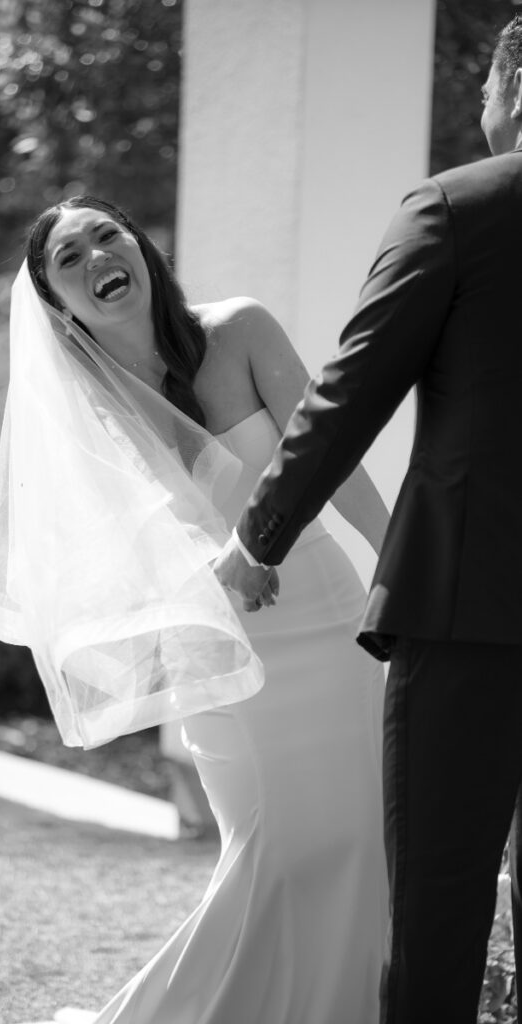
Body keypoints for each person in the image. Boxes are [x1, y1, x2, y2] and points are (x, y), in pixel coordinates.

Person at [0, 192, 390, 1024]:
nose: (96, 258)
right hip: (224, 654)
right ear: (56, 302)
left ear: (138, 246)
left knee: (362, 835)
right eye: (68, 258)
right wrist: (219, 573)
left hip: (329, 616)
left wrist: (397, 557)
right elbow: (102, 560)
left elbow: (330, 459)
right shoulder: (81, 412)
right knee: (275, 845)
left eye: (105, 236)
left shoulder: (238, 330)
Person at [214, 15, 522, 1024]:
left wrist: (255, 536)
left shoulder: (455, 209)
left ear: (509, 84)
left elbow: (347, 394)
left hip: (468, 615)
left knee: (437, 908)